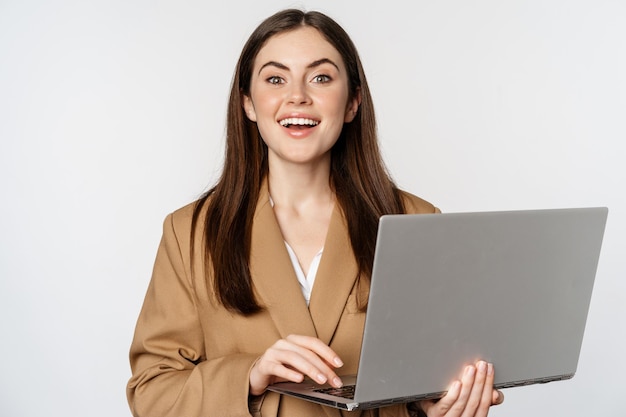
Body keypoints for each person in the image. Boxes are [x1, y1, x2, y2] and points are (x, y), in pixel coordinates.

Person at [126, 8, 504, 417]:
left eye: (321, 77)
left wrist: (442, 405)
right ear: (248, 104)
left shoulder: (417, 221)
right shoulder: (191, 232)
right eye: (275, 79)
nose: (297, 96)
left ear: (353, 102)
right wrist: (249, 378)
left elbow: (431, 380)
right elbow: (151, 392)